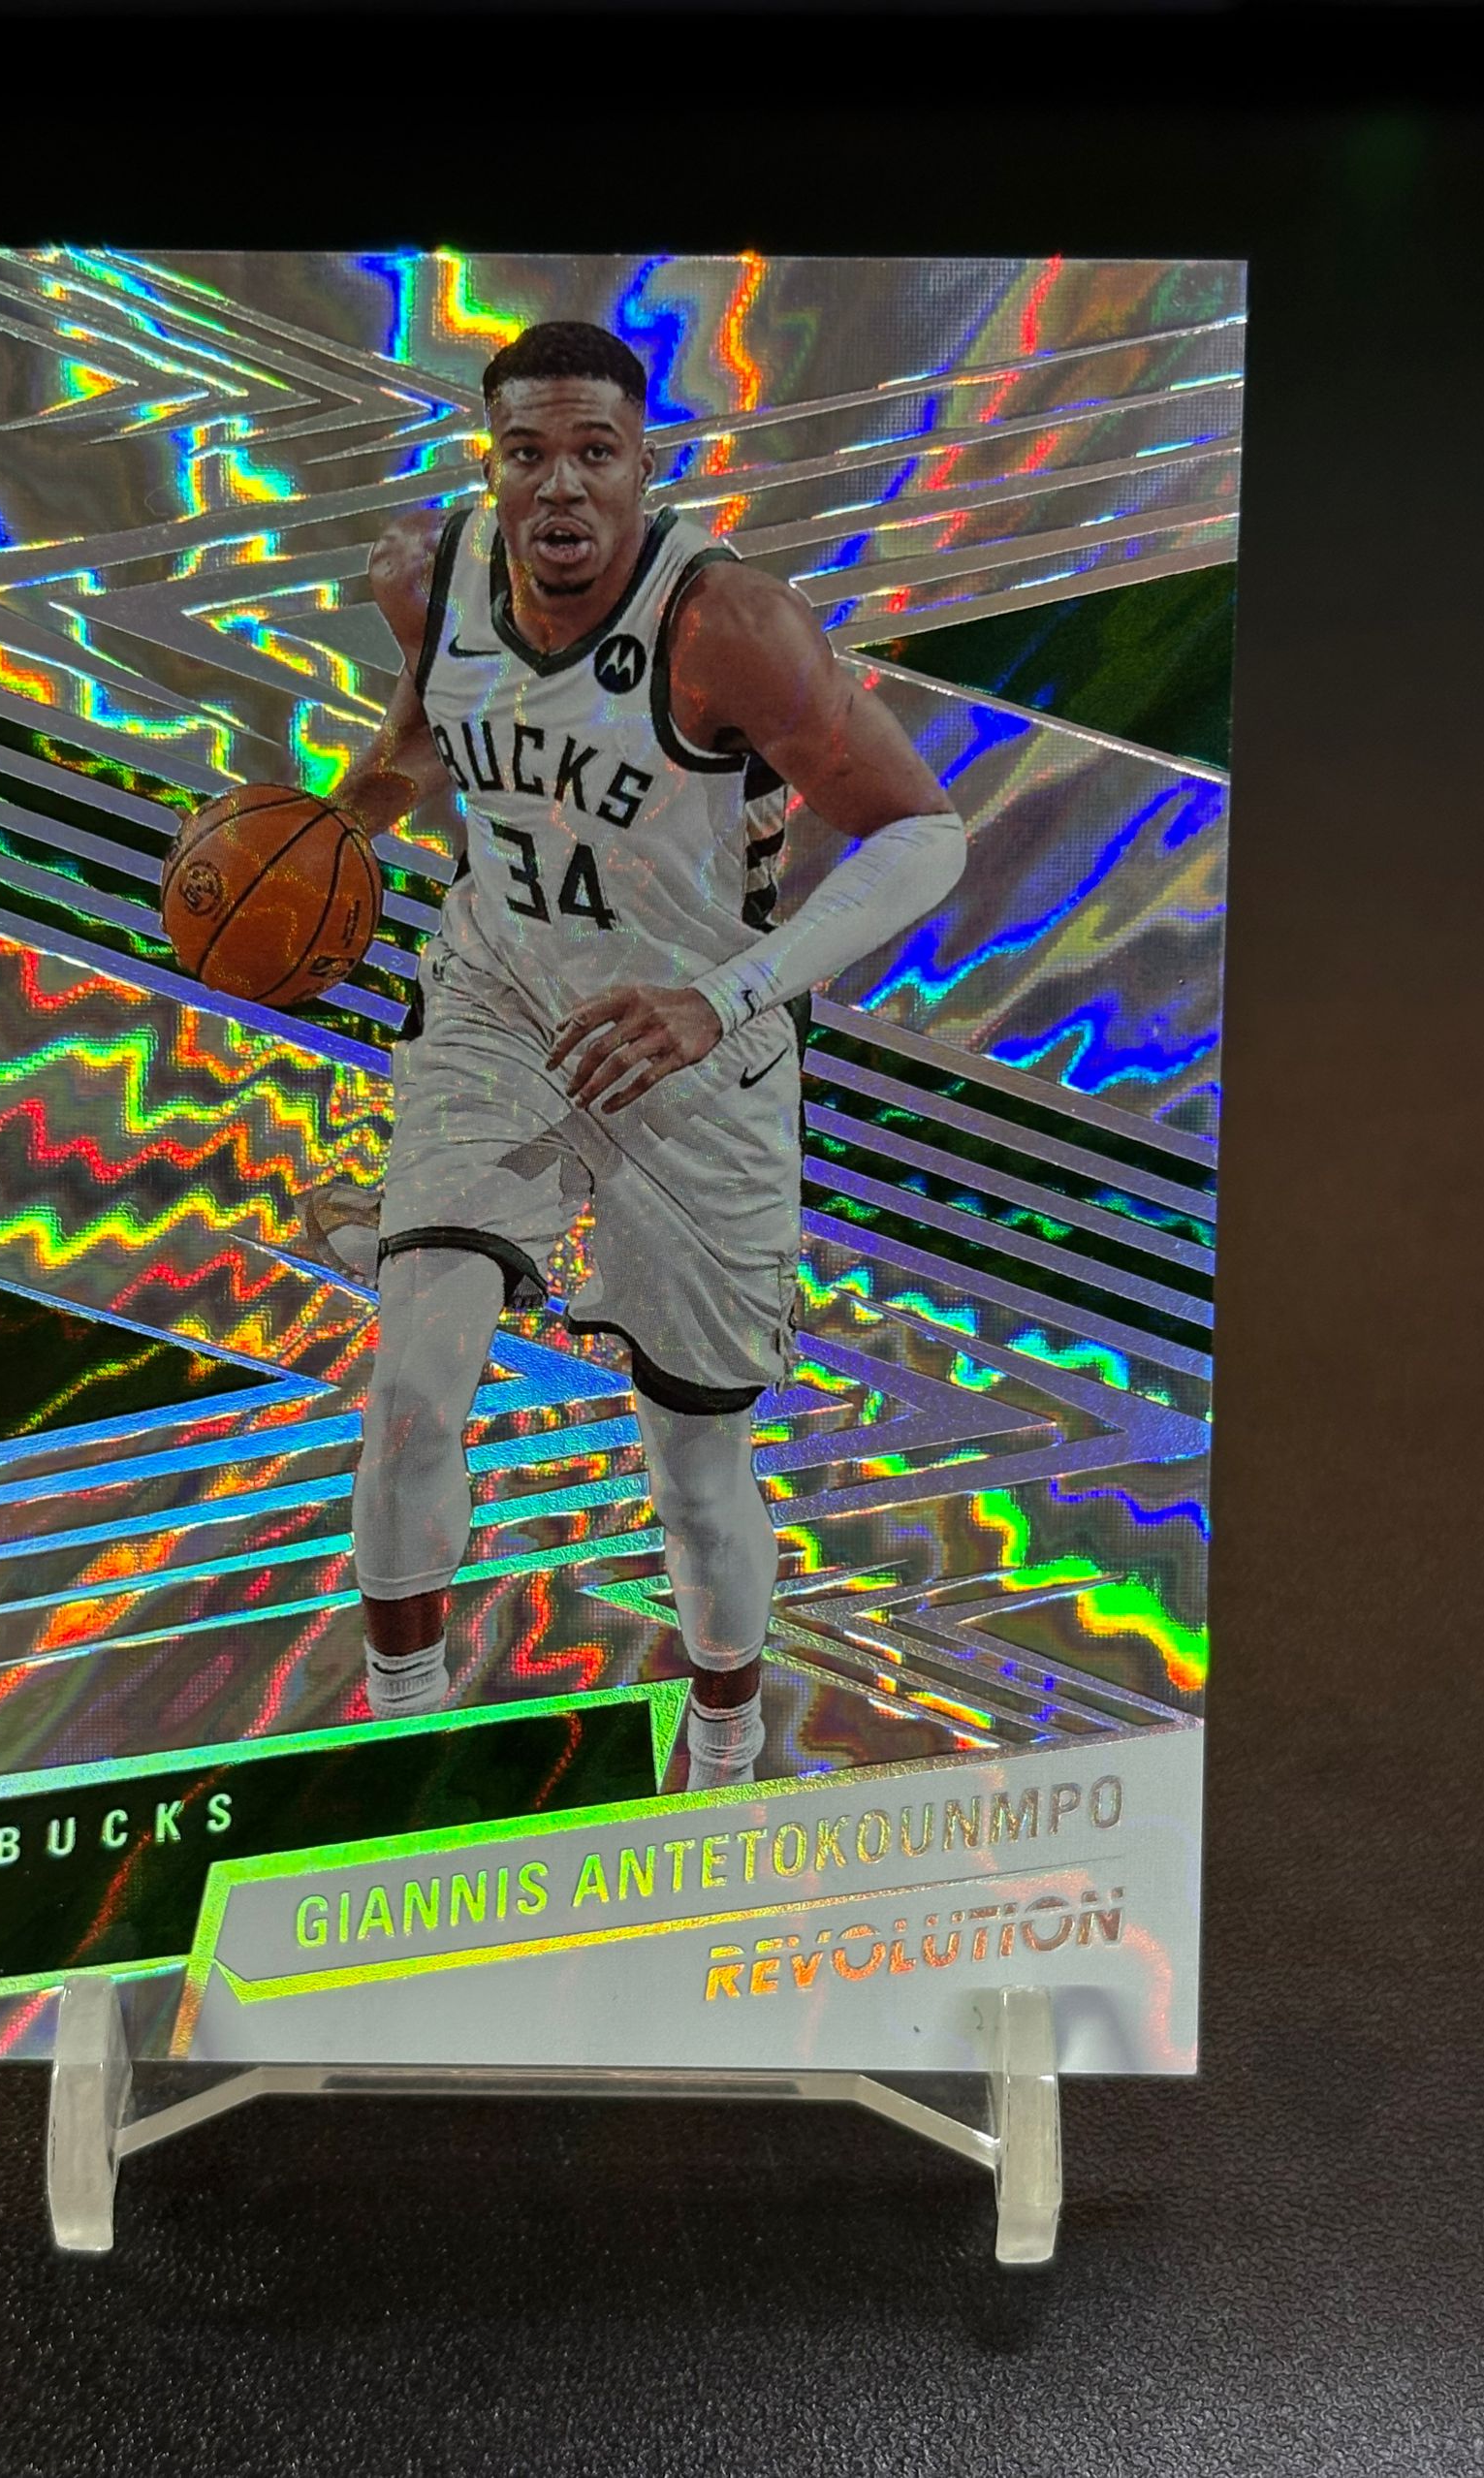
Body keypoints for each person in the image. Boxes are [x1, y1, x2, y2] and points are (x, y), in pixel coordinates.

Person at [268, 322, 964, 1784]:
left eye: (596, 452)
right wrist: (341, 826)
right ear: (491, 464)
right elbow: (424, 740)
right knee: (412, 1392)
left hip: (693, 1050)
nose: (562, 485)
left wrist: (728, 995)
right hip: (499, 1008)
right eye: (528, 453)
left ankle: (722, 1746)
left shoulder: (729, 626)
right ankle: (401, 1746)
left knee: (694, 1466)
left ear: (647, 466)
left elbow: (923, 831)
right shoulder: (427, 576)